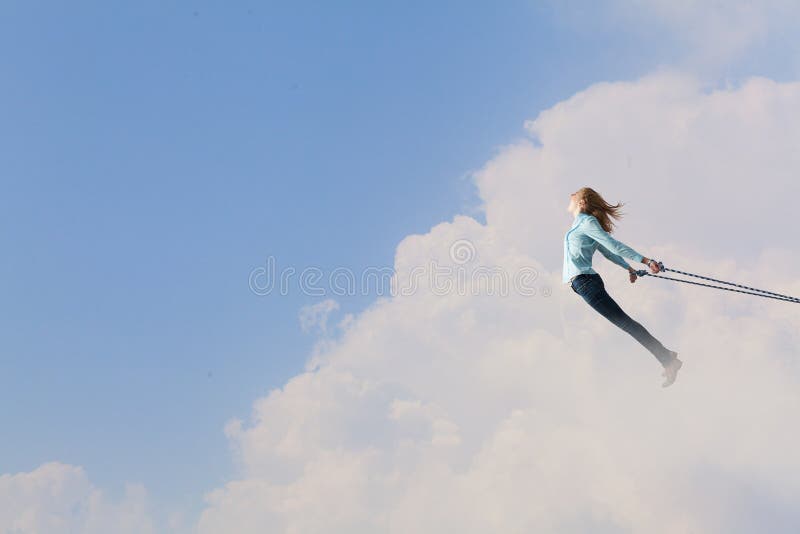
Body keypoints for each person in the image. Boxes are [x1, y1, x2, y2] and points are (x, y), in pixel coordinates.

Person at [563, 187, 683, 387]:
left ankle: (667, 358)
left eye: (574, 194)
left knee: (625, 323)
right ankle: (667, 357)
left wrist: (645, 260)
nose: (570, 195)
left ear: (582, 202)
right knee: (625, 323)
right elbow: (608, 252)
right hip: (583, 284)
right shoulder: (580, 225)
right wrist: (628, 267)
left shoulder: (588, 223)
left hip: (586, 282)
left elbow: (613, 245)